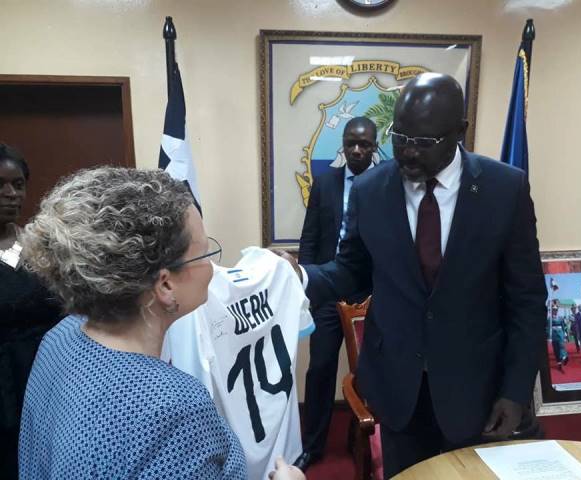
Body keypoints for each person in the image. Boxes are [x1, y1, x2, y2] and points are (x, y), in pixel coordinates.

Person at [281, 73, 547, 478]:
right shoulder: (372, 190)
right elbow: (352, 272)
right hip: (398, 388)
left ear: (459, 132)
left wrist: (515, 390)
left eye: (423, 142)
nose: (406, 153)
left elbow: (526, 300)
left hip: (475, 387)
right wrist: (299, 276)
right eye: (399, 137)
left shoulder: (503, 190)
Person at [18, 167, 303, 480]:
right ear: (165, 285)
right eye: (205, 253)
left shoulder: (61, 338)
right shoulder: (172, 408)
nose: (212, 267)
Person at [295, 117, 377, 470]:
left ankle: (366, 439)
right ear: (342, 145)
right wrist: (309, 290)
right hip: (329, 292)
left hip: (371, 293)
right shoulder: (325, 183)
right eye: (351, 143)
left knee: (372, 371)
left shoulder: (384, 183)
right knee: (321, 368)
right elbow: (309, 238)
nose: (357, 150)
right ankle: (313, 445)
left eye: (364, 144)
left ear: (375, 148)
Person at [0, 144, 62, 479]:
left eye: (18, 184)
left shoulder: (39, 247)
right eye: (0, 185)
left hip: (45, 377)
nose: (10, 193)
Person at [549, 305, 569, 371]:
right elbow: (548, 328)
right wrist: (549, 337)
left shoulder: (560, 318)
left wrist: (565, 334)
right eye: (554, 310)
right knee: (556, 350)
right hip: (554, 335)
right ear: (552, 311)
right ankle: (559, 364)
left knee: (561, 346)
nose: (555, 311)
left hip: (560, 334)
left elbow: (563, 326)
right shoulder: (550, 319)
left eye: (556, 310)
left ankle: (564, 357)